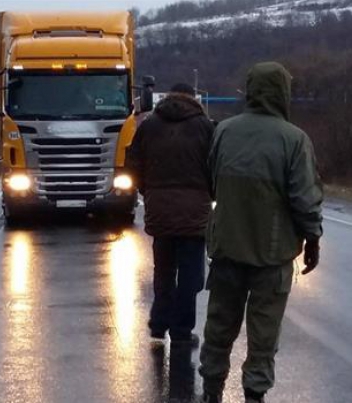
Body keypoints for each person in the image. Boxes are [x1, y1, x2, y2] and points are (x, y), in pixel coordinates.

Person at [199, 62, 323, 403]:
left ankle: (211, 391)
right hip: (273, 252)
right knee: (264, 332)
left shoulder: (224, 130)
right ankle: (254, 394)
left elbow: (213, 183)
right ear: (284, 92)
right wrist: (312, 238)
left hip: (226, 247)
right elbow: (304, 198)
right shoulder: (294, 139)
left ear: (250, 90)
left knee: (219, 326)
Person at [127, 83, 213, 347]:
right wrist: (210, 194)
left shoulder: (149, 126)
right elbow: (216, 164)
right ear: (192, 98)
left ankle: (158, 322)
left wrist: (148, 190)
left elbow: (132, 164)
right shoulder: (205, 127)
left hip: (159, 208)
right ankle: (181, 330)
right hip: (194, 211)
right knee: (191, 275)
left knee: (163, 269)